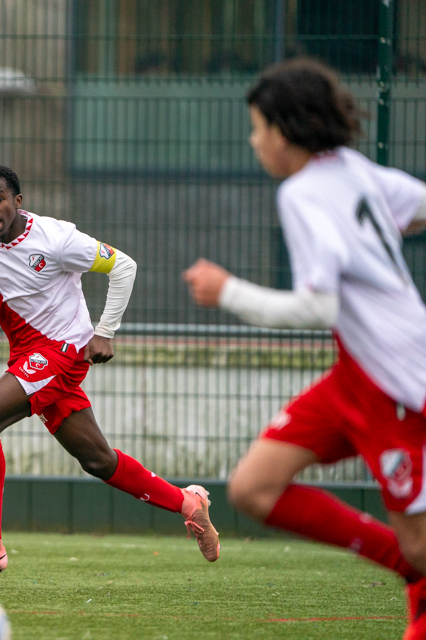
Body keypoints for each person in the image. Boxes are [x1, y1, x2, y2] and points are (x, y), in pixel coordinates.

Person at [182, 58, 426, 639]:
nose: (254, 140)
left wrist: (227, 291)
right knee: (252, 488)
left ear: (284, 132)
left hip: (397, 381)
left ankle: (414, 573)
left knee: (424, 550)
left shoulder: (302, 194)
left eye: (258, 127)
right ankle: (405, 568)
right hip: (355, 373)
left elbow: (318, 308)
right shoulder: (355, 170)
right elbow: (417, 206)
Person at [0, 165, 221, 574]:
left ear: (18, 201)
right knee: (97, 461)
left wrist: (104, 332)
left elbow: (124, 266)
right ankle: (189, 503)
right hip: (27, 355)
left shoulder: (57, 239)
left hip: (62, 353)